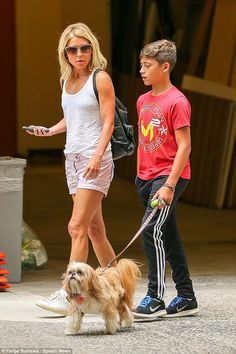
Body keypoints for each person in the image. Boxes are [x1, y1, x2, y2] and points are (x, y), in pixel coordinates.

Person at [25, 22, 116, 315]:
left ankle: (68, 295)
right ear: (65, 52)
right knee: (94, 230)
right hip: (73, 159)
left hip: (94, 160)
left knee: (76, 226)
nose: (80, 54)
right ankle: (119, 288)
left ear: (93, 48)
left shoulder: (100, 79)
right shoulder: (67, 81)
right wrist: (50, 131)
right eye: (73, 49)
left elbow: (108, 123)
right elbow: (73, 118)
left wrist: (97, 156)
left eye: (85, 47)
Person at [132, 39, 198, 319]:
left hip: (169, 176)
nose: (142, 71)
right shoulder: (142, 100)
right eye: (141, 65)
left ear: (165, 67)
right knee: (167, 234)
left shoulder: (178, 102)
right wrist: (139, 177)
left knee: (150, 230)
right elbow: (144, 141)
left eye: (147, 66)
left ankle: (155, 296)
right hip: (145, 177)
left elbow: (185, 146)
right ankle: (186, 296)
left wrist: (169, 184)